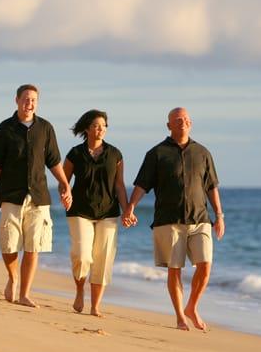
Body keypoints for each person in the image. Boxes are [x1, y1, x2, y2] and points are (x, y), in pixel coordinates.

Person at [123, 107, 225, 331]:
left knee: (205, 266)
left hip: (200, 218)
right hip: (169, 220)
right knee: (174, 269)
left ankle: (192, 307)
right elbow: (142, 184)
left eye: (186, 119)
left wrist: (219, 215)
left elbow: (211, 186)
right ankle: (180, 315)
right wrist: (130, 207)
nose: (183, 122)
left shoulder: (203, 152)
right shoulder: (156, 153)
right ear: (168, 125)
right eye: (177, 120)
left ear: (191, 123)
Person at [0, 84, 73, 308]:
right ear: (17, 100)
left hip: (38, 196)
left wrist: (65, 184)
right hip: (11, 194)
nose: (29, 103)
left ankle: (25, 293)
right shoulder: (4, 129)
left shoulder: (46, 128)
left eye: (33, 100)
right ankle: (13, 278)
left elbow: (53, 162)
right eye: (26, 99)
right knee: (9, 245)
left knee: (33, 246)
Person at [63, 109, 129, 317]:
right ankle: (80, 289)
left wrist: (127, 210)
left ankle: (95, 306)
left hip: (108, 212)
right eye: (96, 125)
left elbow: (119, 185)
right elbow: (63, 181)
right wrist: (65, 193)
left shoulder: (115, 154)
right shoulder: (75, 153)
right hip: (80, 210)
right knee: (82, 256)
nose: (100, 129)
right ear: (87, 129)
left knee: (103, 259)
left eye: (103, 126)